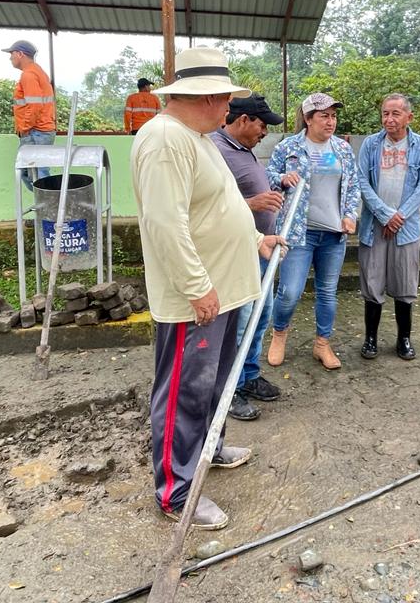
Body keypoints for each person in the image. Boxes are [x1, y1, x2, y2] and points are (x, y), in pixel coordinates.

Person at [131, 46, 284, 529]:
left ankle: (210, 447)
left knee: (215, 381)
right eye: (227, 99)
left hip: (225, 289)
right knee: (185, 391)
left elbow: (220, 207)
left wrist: (257, 240)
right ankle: (176, 492)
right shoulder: (164, 141)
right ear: (209, 97)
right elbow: (165, 223)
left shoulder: (198, 139)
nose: (231, 107)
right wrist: (197, 287)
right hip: (197, 298)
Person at [265, 92, 361, 371]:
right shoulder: (289, 147)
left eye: (333, 116)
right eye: (324, 116)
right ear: (308, 119)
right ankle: (279, 335)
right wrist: (282, 179)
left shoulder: (342, 149)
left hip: (333, 234)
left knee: (327, 292)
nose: (331, 122)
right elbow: (268, 176)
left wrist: (350, 215)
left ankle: (322, 343)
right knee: (290, 291)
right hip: (298, 234)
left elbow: (353, 186)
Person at [210, 93, 286, 421]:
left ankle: (250, 374)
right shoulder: (215, 150)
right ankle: (231, 389)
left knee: (260, 316)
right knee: (240, 323)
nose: (265, 132)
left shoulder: (243, 149)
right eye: (262, 125)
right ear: (243, 120)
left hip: (261, 248)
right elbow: (209, 206)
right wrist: (252, 204)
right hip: (238, 253)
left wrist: (276, 187)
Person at [356, 94, 420, 360]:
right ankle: (370, 339)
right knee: (372, 282)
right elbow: (362, 182)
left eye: (395, 114)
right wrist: (385, 215)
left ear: (409, 117)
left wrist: (399, 217)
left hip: (406, 228)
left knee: (405, 284)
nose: (389, 119)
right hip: (374, 226)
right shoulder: (370, 144)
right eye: (385, 113)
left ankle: (404, 339)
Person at [3, 40, 55, 190]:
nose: (10, 58)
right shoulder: (37, 72)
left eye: (12, 54)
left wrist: (25, 128)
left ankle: (49, 203)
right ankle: (47, 202)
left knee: (37, 173)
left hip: (35, 132)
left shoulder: (29, 75)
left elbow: (34, 105)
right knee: (32, 172)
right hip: (40, 131)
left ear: (20, 54)